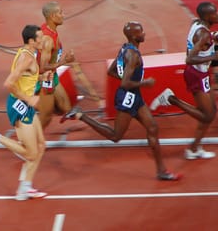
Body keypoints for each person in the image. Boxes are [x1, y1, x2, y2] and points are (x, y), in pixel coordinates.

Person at [61, 22, 181, 181]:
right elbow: (124, 83)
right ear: (133, 36)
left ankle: (161, 171)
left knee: (152, 127)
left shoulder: (125, 48)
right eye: (141, 32)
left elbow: (112, 72)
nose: (144, 34)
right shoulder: (133, 55)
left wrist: (133, 83)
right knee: (115, 136)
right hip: (128, 97)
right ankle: (81, 115)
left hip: (134, 95)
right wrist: (143, 83)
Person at [0, 25, 49, 200]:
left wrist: (42, 78)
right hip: (19, 105)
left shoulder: (28, 53)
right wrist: (29, 99)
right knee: (30, 153)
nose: (43, 40)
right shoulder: (27, 59)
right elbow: (8, 83)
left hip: (24, 103)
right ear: (31, 41)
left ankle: (25, 188)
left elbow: (25, 78)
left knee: (41, 145)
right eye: (40, 37)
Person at [149, 1, 218, 160]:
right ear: (207, 16)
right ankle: (170, 98)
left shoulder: (197, 24)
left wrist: (213, 41)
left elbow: (200, 46)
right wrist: (213, 56)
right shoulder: (203, 34)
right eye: (215, 13)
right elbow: (189, 59)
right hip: (196, 74)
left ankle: (194, 148)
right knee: (207, 116)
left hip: (202, 73)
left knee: (212, 112)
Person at [36, 1, 76, 130]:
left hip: (51, 76)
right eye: (60, 12)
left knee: (66, 107)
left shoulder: (49, 29)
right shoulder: (48, 40)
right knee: (46, 117)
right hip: (43, 79)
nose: (63, 15)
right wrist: (65, 61)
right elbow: (42, 68)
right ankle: (25, 142)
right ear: (53, 16)